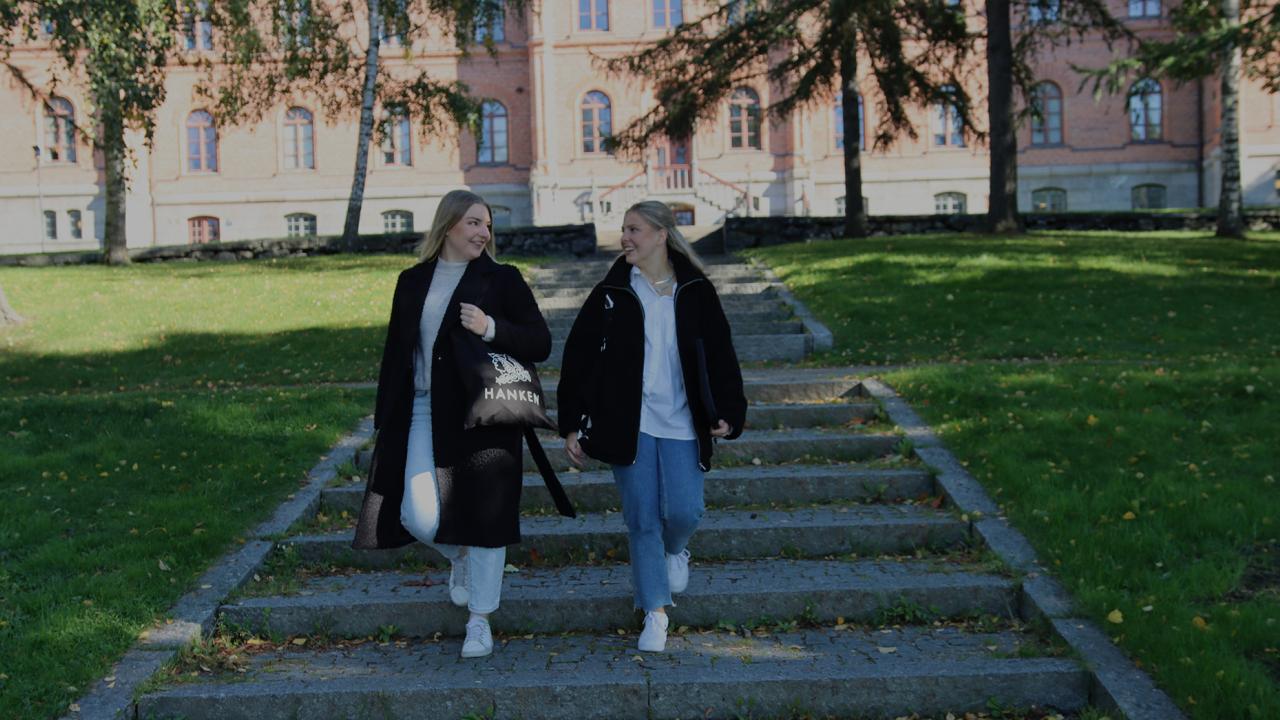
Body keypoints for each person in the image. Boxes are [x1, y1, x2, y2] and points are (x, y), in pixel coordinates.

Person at [352, 189, 551, 659]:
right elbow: (397, 352)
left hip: (482, 412)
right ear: (448, 227)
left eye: (487, 226)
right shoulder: (412, 281)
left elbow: (540, 341)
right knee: (416, 514)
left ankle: (480, 620)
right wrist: (387, 412)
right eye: (474, 224)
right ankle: (459, 558)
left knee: (487, 517)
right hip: (422, 409)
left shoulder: (502, 280)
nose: (484, 233)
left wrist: (491, 328)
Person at [556, 200, 747, 652]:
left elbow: (722, 357)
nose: (626, 238)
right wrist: (571, 424)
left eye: (634, 229)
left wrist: (730, 412)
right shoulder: (613, 291)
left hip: (683, 420)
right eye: (623, 230)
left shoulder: (696, 290)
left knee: (684, 512)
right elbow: (579, 359)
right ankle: (655, 613)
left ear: (661, 234)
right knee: (642, 517)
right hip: (630, 422)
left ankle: (676, 549)